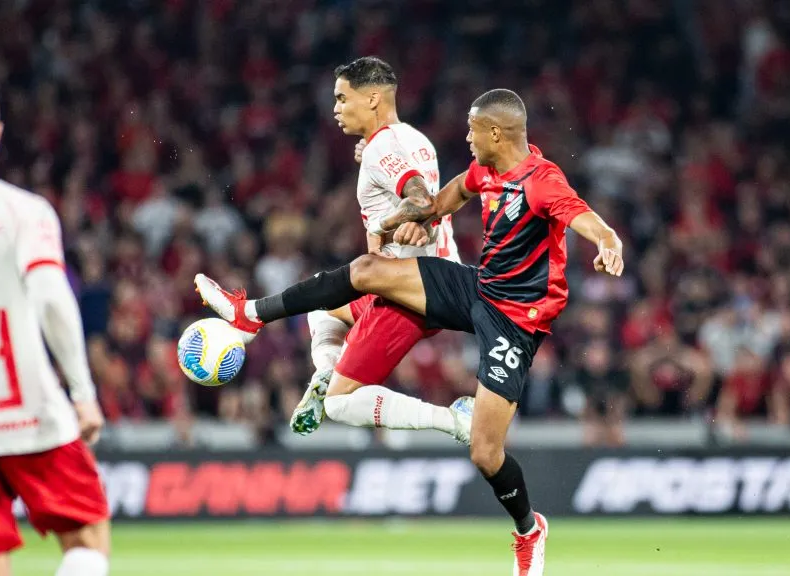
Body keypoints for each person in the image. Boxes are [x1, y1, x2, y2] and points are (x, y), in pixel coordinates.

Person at [196, 88, 624, 576]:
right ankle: (252, 313)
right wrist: (406, 221)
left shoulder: (543, 181)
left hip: (516, 321)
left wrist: (608, 244)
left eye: (471, 129)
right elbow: (446, 200)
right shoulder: (487, 171)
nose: (465, 136)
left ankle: (529, 529)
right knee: (364, 270)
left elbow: (587, 219)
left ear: (495, 133)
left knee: (485, 454)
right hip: (477, 288)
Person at [0, 74, 110, 576]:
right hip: (30, 410)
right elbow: (52, 299)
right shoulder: (23, 211)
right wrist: (82, 391)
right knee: (87, 536)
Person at [283, 56, 473, 442]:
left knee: (339, 405)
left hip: (408, 292)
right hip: (424, 277)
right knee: (320, 307)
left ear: (371, 99)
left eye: (341, 98)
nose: (335, 108)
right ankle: (325, 371)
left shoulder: (380, 148)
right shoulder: (413, 139)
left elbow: (417, 196)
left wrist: (400, 226)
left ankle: (455, 420)